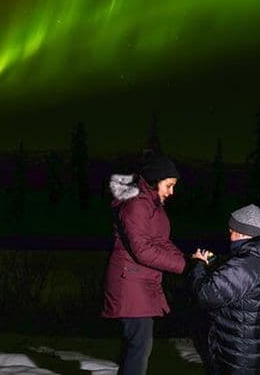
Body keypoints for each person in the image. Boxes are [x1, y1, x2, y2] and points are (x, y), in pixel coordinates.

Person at [102, 153, 188, 375]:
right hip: (129, 282)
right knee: (140, 344)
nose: (171, 192)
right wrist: (183, 266)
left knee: (137, 344)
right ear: (154, 179)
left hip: (140, 282)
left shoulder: (152, 205)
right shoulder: (137, 206)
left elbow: (161, 242)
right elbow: (144, 251)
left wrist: (187, 260)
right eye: (168, 185)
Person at [190, 204, 260, 375]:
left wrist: (199, 265)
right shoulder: (259, 260)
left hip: (239, 354)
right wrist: (214, 263)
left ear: (241, 232)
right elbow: (237, 287)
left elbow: (206, 295)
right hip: (252, 350)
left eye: (231, 230)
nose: (230, 235)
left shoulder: (246, 265)